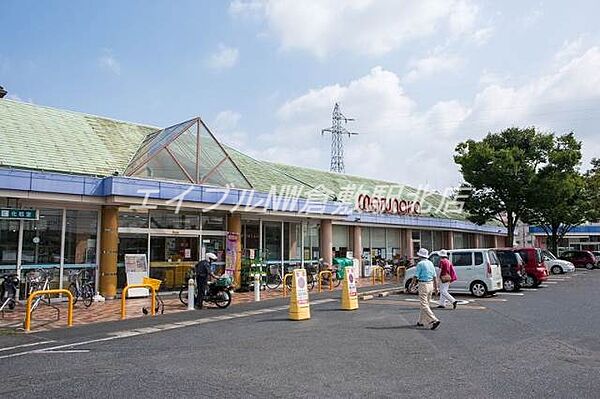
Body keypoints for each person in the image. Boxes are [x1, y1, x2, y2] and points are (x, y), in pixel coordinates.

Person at [413, 248, 441, 330]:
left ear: (420, 256)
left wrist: (412, 285)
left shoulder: (420, 264)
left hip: (423, 284)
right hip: (430, 284)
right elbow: (435, 276)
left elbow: (416, 276)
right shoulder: (430, 263)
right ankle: (420, 321)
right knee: (426, 304)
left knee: (424, 304)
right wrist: (436, 288)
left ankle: (434, 319)